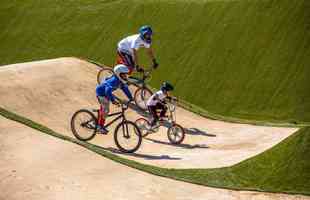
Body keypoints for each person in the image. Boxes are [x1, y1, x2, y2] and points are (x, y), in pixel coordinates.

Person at [95, 64, 133, 134]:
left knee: (104, 109)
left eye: (126, 75)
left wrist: (131, 98)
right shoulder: (114, 81)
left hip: (105, 94)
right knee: (106, 109)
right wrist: (113, 101)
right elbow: (107, 91)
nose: (126, 76)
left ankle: (99, 119)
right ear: (119, 74)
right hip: (101, 93)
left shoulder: (120, 81)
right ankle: (99, 127)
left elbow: (125, 89)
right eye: (124, 75)